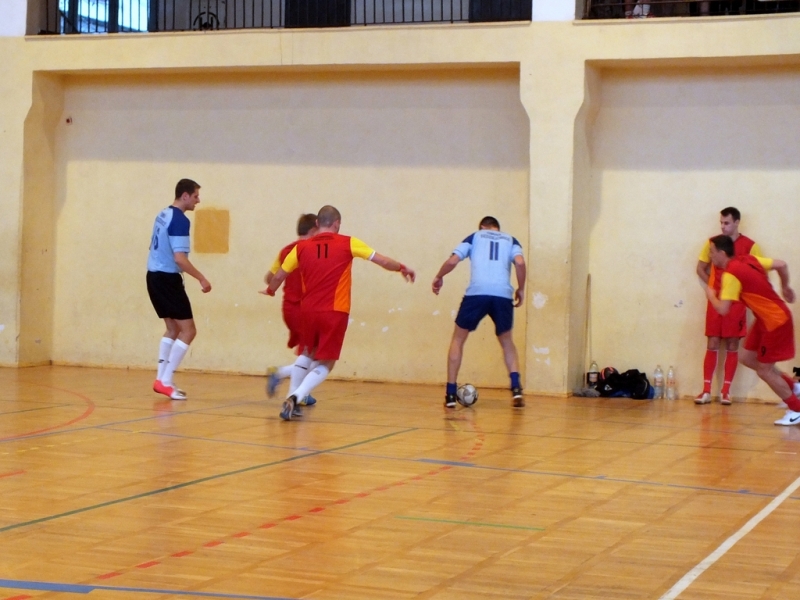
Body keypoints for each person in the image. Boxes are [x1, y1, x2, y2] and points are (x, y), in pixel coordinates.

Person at [264, 205, 415, 421]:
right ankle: (296, 396)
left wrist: (270, 291)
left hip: (308, 310)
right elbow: (382, 261)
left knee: (306, 353)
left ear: (318, 223)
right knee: (326, 362)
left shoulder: (300, 248)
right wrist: (401, 267)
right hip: (335, 310)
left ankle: (292, 395)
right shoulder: (348, 242)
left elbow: (278, 276)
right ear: (337, 224)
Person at [431, 216, 527, 409]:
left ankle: (451, 394)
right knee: (507, 342)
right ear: (497, 227)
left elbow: (453, 261)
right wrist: (521, 289)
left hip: (477, 293)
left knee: (458, 339)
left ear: (483, 227)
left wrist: (439, 276)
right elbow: (520, 263)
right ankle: (516, 389)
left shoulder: (474, 237)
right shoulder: (511, 240)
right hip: (502, 295)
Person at [704, 234, 800, 425]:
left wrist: (711, 294)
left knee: (764, 371)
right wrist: (786, 287)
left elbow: (723, 309)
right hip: (765, 319)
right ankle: (794, 388)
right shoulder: (747, 259)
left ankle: (796, 409)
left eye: (711, 252)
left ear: (722, 253)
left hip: (775, 321)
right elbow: (781, 265)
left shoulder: (731, 275)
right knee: (747, 357)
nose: (710, 256)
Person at [146, 179, 212, 401]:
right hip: (167, 278)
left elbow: (154, 246)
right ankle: (165, 380)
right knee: (188, 331)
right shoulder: (180, 220)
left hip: (153, 276)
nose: (198, 200)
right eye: (195, 196)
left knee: (172, 329)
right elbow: (180, 259)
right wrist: (201, 278)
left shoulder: (162, 214)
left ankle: (161, 379)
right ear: (185, 196)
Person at [695, 207, 761, 405]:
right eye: (721, 223)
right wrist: (712, 287)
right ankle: (706, 390)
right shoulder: (712, 243)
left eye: (727, 223)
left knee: (733, 344)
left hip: (736, 303)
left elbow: (757, 274)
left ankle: (726, 391)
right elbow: (700, 268)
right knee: (712, 342)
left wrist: (743, 293)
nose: (723, 226)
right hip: (716, 301)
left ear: (737, 222)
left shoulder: (750, 246)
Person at [261, 213, 319, 406]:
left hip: (289, 308)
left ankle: (300, 391)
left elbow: (269, 278)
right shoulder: (311, 250)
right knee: (313, 354)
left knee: (309, 352)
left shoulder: (286, 251)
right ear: (313, 230)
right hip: (305, 309)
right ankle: (292, 392)